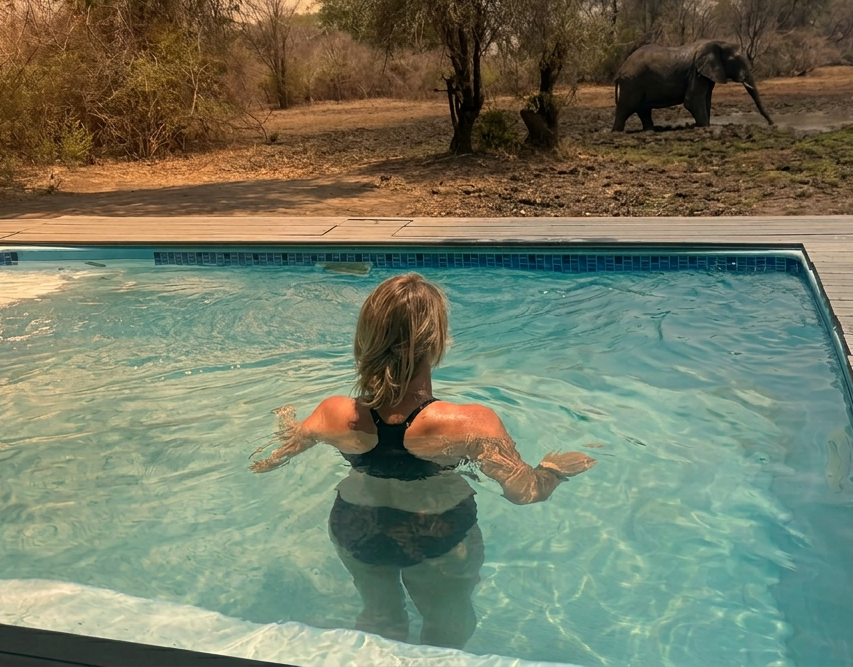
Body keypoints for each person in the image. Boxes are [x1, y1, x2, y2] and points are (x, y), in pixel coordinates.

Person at [250, 272, 596, 649]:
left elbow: (276, 455)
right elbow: (524, 493)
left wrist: (287, 420)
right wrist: (553, 470)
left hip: (357, 529)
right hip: (436, 534)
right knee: (445, 630)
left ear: (365, 338)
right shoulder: (469, 423)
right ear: (437, 342)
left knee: (380, 620)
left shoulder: (334, 413)